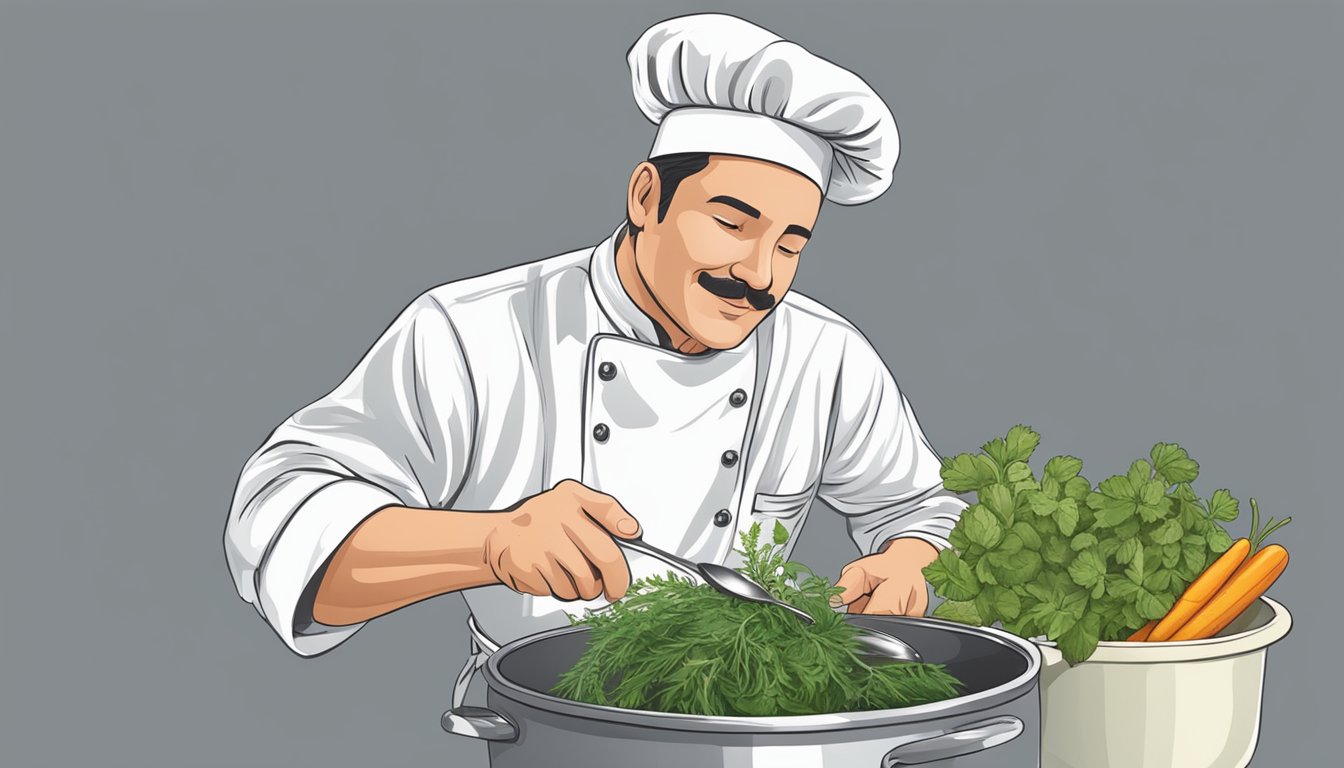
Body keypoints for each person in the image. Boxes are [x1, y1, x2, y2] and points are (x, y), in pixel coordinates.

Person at [223, 14, 967, 697]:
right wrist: (488, 541)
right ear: (646, 197)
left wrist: (909, 562)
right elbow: (286, 522)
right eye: (733, 223)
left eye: (791, 244)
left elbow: (924, 509)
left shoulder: (823, 356)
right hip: (548, 723)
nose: (760, 273)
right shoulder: (475, 332)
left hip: (748, 722)